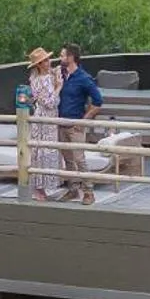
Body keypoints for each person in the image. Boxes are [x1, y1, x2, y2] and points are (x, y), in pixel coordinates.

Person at [56, 43, 104, 204]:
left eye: (62, 55)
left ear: (70, 57)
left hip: (75, 125)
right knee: (68, 159)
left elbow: (98, 101)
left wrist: (84, 120)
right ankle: (73, 189)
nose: (60, 58)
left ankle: (89, 192)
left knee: (79, 159)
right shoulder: (61, 76)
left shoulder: (84, 78)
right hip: (61, 123)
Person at [25, 46, 65, 201]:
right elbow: (49, 102)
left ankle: (45, 186)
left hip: (52, 117)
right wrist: (58, 87)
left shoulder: (50, 76)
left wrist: (56, 82)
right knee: (40, 152)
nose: (48, 63)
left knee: (49, 151)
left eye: (48, 60)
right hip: (43, 117)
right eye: (44, 61)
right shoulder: (35, 81)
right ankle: (37, 188)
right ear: (38, 65)